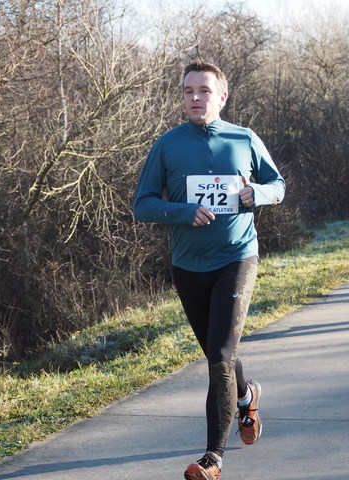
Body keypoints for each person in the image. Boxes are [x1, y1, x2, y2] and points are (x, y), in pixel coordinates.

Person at [133, 60, 285, 480]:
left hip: (237, 256)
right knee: (219, 353)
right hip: (188, 265)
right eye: (187, 91)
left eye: (203, 90)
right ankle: (247, 394)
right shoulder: (167, 145)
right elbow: (142, 204)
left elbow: (279, 186)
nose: (195, 97)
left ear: (222, 96)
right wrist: (183, 211)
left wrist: (259, 193)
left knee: (218, 356)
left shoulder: (244, 138)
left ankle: (212, 459)